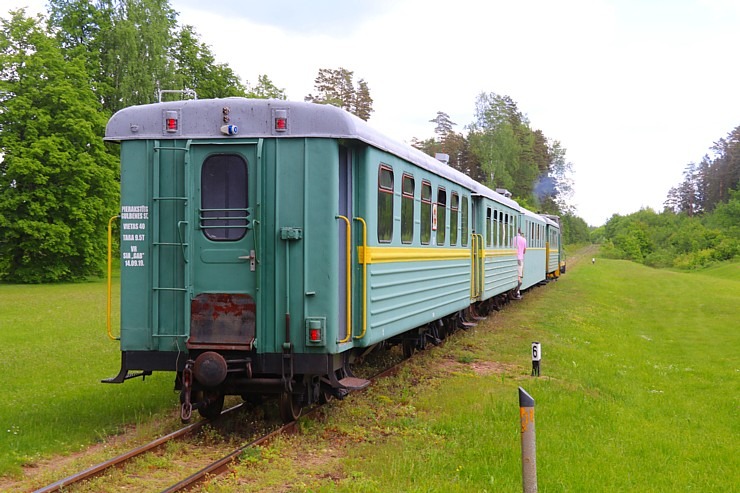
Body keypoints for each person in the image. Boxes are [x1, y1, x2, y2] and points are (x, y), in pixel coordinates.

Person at [514, 227, 527, 299]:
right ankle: (517, 292)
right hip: (520, 259)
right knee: (519, 275)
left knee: (515, 275)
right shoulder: (523, 239)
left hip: (513, 258)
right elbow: (524, 251)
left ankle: (517, 291)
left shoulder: (513, 239)